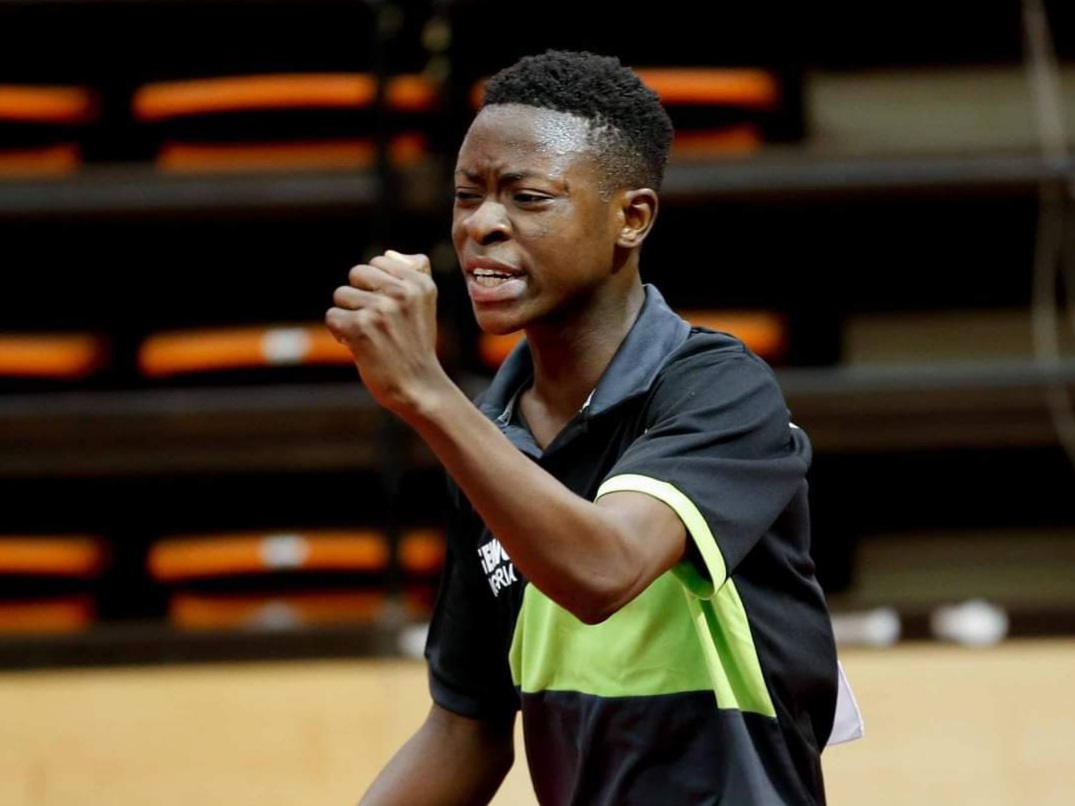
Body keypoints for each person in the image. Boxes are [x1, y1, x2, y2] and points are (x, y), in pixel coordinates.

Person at [326, 48, 853, 806]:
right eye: (466, 195)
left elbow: (603, 571)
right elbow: (465, 731)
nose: (481, 225)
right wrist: (446, 413)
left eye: (527, 197)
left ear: (630, 218)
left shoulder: (717, 388)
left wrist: (425, 395)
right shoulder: (486, 437)